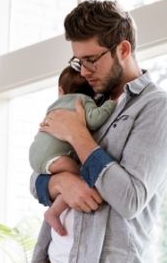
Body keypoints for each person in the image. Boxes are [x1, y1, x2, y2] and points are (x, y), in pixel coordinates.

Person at [26, 0, 167, 263]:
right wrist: (62, 183)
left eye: (91, 60)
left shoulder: (157, 108)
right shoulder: (86, 102)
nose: (84, 71)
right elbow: (35, 180)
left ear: (123, 50)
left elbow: (130, 198)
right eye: (78, 61)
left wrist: (77, 135)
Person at [28, 66, 117, 237]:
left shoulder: (54, 106)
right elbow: (94, 119)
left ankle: (53, 211)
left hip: (36, 154)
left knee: (72, 179)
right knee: (81, 177)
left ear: (60, 90)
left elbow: (34, 185)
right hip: (55, 158)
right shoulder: (82, 101)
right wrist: (110, 104)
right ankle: (53, 212)